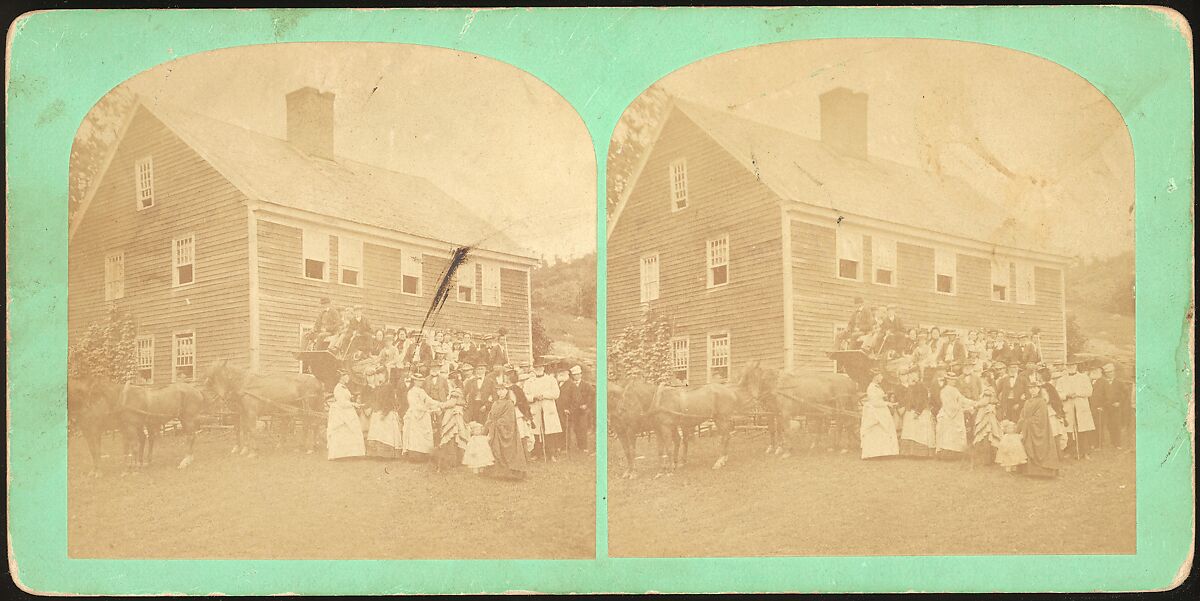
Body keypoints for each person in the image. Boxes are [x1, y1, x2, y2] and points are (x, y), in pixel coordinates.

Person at [485, 378, 533, 480]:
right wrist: (489, 423)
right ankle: (500, 473)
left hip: (506, 431)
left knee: (509, 451)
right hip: (496, 431)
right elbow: (491, 415)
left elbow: (509, 419)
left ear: (507, 391)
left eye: (502, 390)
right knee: (497, 450)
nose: (500, 392)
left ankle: (512, 473)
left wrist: (499, 423)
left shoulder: (509, 403)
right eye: (498, 390)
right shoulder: (495, 403)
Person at [402, 372, 454, 460]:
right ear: (414, 381)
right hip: (415, 415)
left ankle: (424, 454)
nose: (421, 382)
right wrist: (427, 409)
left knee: (425, 434)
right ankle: (414, 456)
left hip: (423, 415)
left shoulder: (422, 391)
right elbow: (415, 405)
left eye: (422, 381)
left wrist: (441, 404)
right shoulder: (411, 392)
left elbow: (429, 400)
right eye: (419, 381)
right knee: (415, 435)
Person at [523, 357, 563, 461]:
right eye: (536, 367)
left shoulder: (551, 380)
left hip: (548, 409)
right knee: (536, 431)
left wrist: (543, 395)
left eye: (540, 366)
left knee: (549, 431)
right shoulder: (529, 381)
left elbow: (556, 394)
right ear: (534, 368)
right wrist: (534, 397)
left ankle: (552, 454)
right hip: (535, 408)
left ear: (544, 368)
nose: (538, 368)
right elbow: (524, 395)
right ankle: (537, 453)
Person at [1019, 381, 1062, 477]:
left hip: (1039, 429)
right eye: (1030, 388)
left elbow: (1041, 418)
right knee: (1029, 446)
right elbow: (1023, 415)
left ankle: (1044, 472)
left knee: (1041, 448)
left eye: (1035, 388)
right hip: (1029, 430)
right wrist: (1020, 424)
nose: (1032, 390)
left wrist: (1027, 421)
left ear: (1039, 389)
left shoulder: (1041, 401)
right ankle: (1031, 472)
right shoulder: (1027, 401)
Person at [1056, 360, 1096, 458]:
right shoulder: (1061, 380)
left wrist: (1077, 393)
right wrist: (1066, 395)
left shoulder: (1084, 377)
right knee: (1069, 430)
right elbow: (1057, 394)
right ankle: (1071, 451)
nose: (1071, 366)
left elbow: (1089, 392)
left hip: (1081, 407)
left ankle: (1085, 452)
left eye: (1073, 364)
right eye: (1069, 365)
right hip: (1068, 407)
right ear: (1066, 366)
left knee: (1083, 429)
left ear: (1076, 365)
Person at [935, 372, 978, 459]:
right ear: (947, 380)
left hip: (956, 414)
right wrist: (962, 408)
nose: (954, 382)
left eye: (954, 380)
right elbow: (949, 405)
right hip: (948, 415)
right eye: (951, 380)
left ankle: (956, 454)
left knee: (956, 434)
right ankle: (946, 455)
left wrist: (974, 403)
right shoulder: (944, 391)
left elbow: (962, 399)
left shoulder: (955, 390)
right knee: (948, 434)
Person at [326, 372, 366, 460]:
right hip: (342, 412)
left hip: (347, 410)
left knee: (352, 430)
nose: (348, 378)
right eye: (346, 376)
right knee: (343, 430)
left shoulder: (343, 387)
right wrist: (354, 404)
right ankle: (338, 454)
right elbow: (342, 403)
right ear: (341, 377)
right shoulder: (338, 388)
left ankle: (351, 453)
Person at [897, 368, 935, 458]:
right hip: (911, 411)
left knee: (919, 433)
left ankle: (921, 453)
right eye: (910, 374)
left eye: (914, 374)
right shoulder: (911, 386)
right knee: (910, 432)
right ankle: (911, 452)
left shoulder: (920, 386)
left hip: (919, 412)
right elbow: (908, 399)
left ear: (918, 375)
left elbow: (923, 400)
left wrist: (918, 412)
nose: (911, 376)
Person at [860, 372, 899, 459]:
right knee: (877, 429)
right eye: (880, 376)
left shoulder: (877, 387)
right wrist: (887, 403)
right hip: (875, 411)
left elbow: (878, 398)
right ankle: (872, 453)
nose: (882, 377)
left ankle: (883, 452)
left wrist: (885, 398)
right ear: (875, 377)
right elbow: (875, 402)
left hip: (881, 410)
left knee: (885, 429)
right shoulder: (871, 387)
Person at [1092, 363, 1130, 449]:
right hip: (1104, 407)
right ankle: (1099, 443)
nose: (1110, 374)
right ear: (1105, 373)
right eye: (1108, 372)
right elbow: (1098, 395)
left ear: (1114, 372)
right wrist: (1100, 405)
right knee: (1100, 425)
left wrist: (1119, 402)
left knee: (1115, 425)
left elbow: (1125, 395)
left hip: (1114, 406)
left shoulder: (1119, 383)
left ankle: (1116, 443)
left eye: (1112, 372)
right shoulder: (1100, 382)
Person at [561, 365, 595, 454]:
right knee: (569, 428)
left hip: (582, 410)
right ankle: (566, 447)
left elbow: (592, 396)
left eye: (578, 374)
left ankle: (583, 446)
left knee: (582, 428)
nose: (576, 376)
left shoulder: (586, 385)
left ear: (581, 374)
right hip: (572, 410)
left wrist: (586, 405)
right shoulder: (569, 385)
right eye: (574, 375)